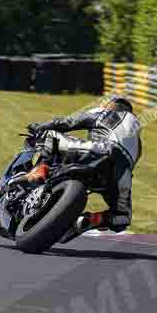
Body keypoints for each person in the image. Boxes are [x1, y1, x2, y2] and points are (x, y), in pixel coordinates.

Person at [25, 95, 142, 236]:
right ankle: (92, 220)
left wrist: (39, 127)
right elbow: (130, 163)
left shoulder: (105, 113)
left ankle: (41, 168)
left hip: (100, 150)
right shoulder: (137, 140)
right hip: (122, 173)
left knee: (49, 136)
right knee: (122, 218)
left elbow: (67, 122)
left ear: (111, 106)